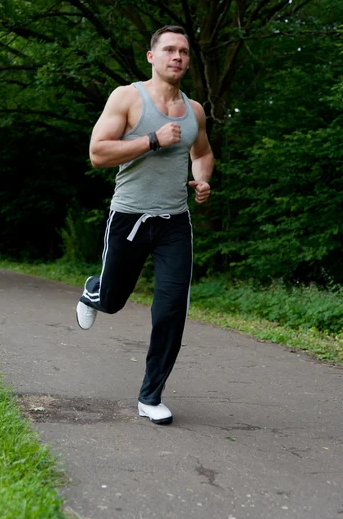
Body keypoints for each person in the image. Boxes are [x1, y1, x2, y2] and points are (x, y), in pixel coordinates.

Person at [76, 25, 214, 425]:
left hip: (175, 223)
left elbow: (202, 152)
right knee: (115, 300)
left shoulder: (195, 111)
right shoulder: (127, 97)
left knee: (171, 310)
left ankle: (151, 395)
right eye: (169, 50)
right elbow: (98, 153)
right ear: (151, 56)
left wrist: (202, 179)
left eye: (184, 52)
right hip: (129, 217)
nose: (177, 57)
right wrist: (153, 140)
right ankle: (95, 291)